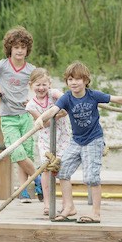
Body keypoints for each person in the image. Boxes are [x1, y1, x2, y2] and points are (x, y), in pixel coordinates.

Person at [34, 61, 122, 223]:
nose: (74, 83)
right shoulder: (67, 98)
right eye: (70, 79)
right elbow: (53, 110)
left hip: (93, 140)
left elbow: (117, 99)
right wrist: (40, 119)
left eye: (77, 79)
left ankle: (96, 213)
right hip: (76, 141)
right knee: (62, 171)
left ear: (85, 81)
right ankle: (69, 207)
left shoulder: (93, 95)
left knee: (91, 177)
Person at [0, 26, 42, 203]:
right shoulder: (3, 65)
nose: (20, 50)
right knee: (17, 151)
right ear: (10, 49)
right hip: (8, 117)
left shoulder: (31, 69)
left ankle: (24, 192)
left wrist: (32, 99)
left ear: (27, 49)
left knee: (27, 153)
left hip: (26, 115)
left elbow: (42, 85)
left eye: (23, 47)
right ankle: (39, 179)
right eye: (16, 47)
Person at [25, 68, 72, 215]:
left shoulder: (53, 94)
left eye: (44, 84)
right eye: (37, 85)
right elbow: (43, 123)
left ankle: (66, 204)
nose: (41, 88)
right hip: (45, 138)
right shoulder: (31, 105)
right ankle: (47, 204)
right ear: (31, 85)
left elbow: (67, 101)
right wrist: (57, 114)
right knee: (46, 169)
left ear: (49, 84)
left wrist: (60, 110)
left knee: (63, 169)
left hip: (62, 136)